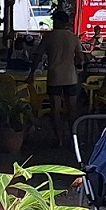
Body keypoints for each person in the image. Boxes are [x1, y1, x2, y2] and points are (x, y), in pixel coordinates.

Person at [42, 8, 81, 147]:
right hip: (70, 77)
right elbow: (80, 58)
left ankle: (59, 139)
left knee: (55, 109)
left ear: (57, 21)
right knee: (72, 109)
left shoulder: (49, 36)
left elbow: (38, 56)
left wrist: (30, 74)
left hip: (54, 76)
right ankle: (73, 137)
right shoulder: (73, 37)